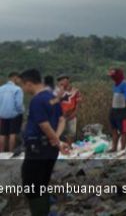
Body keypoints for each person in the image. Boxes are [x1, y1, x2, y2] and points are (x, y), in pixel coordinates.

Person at [20, 69, 69, 216]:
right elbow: (61, 119)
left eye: (23, 85)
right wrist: (57, 139)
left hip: (38, 149)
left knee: (31, 184)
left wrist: (56, 141)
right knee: (42, 181)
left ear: (29, 83)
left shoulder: (37, 100)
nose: (23, 89)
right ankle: (47, 210)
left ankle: (41, 213)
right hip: (49, 149)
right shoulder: (52, 97)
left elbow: (44, 125)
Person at [108, 68, 126, 152]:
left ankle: (123, 149)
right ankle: (114, 147)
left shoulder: (124, 84)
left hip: (122, 111)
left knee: (123, 132)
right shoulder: (116, 84)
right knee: (114, 130)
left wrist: (124, 104)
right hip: (114, 110)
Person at [0, 72, 24, 152]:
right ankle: (10, 151)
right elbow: (19, 104)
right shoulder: (17, 89)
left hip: (2, 114)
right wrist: (21, 111)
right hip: (14, 114)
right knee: (12, 133)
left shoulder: (1, 88)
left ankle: (1, 152)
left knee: (2, 133)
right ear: (15, 78)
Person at [56, 74, 81, 144]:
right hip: (60, 116)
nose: (62, 82)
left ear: (68, 80)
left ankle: (69, 147)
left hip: (71, 114)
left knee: (71, 133)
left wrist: (74, 113)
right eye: (60, 80)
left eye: (64, 80)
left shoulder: (75, 91)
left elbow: (78, 103)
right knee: (58, 132)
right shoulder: (57, 91)